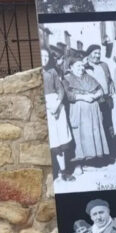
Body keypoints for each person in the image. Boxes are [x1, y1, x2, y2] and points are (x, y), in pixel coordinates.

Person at [63, 57, 109, 173]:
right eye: (78, 66)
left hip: (92, 111)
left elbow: (100, 89)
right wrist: (84, 97)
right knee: (79, 135)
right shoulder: (67, 79)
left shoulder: (88, 77)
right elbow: (69, 95)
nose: (81, 68)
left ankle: (90, 162)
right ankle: (79, 164)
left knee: (92, 134)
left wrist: (95, 96)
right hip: (78, 111)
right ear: (71, 67)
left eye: (82, 65)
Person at [41, 48, 75, 181]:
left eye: (46, 56)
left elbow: (60, 89)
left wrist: (57, 104)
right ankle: (51, 173)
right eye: (41, 56)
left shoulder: (53, 72)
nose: (44, 58)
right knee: (51, 139)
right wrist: (48, 106)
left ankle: (64, 171)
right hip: (45, 108)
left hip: (57, 106)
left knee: (60, 139)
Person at [84, 44, 116, 160]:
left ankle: (111, 152)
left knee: (108, 125)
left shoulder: (104, 65)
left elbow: (110, 80)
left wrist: (111, 88)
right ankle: (99, 153)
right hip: (94, 102)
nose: (97, 56)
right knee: (97, 126)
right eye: (95, 53)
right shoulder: (85, 67)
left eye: (99, 53)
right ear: (89, 54)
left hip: (106, 100)